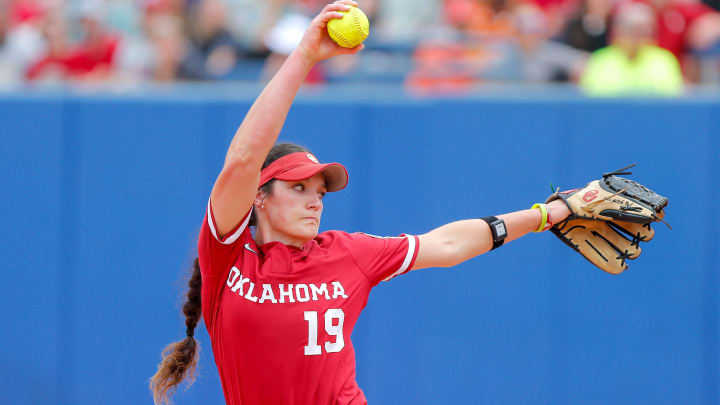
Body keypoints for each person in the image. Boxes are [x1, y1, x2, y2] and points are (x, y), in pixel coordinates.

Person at [149, 1, 571, 404]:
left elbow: (448, 245)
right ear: (259, 196)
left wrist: (545, 215)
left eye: (319, 191)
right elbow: (243, 159)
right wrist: (305, 55)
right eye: (298, 188)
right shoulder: (229, 256)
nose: (315, 200)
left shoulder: (347, 253)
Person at [579, 2, 684, 96]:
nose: (637, 39)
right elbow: (591, 99)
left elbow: (671, 99)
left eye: (644, 33)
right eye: (632, 32)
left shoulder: (664, 60)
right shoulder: (600, 60)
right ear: (618, 33)